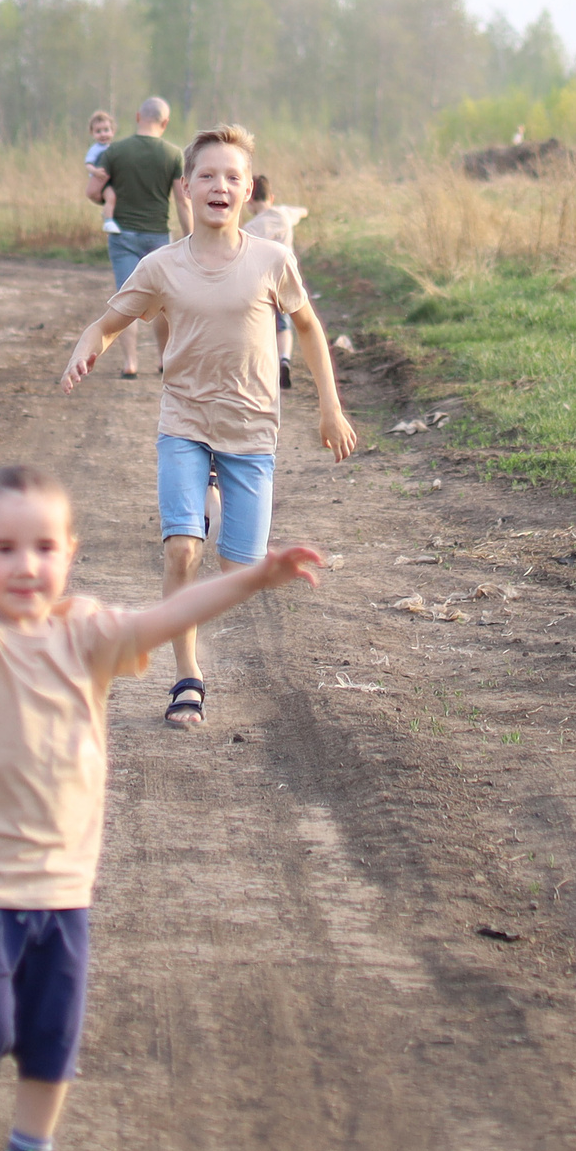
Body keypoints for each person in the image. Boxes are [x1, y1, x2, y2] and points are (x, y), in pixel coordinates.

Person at [0, 464, 324, 1151]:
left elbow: (168, 616)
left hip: (65, 887)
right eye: (3, 548)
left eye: (42, 547)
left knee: (50, 1038)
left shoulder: (89, 635)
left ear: (69, 552)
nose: (25, 564)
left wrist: (255, 577)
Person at [60, 125, 357, 728]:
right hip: (185, 423)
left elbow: (307, 328)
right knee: (181, 552)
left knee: (239, 572)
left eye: (232, 176)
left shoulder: (272, 260)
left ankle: (215, 502)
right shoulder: (160, 266)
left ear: (248, 190)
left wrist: (331, 406)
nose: (219, 185)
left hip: (250, 432)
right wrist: (86, 346)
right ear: (186, 189)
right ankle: (186, 679)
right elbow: (110, 322)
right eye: (207, 175)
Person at [85, 99, 187, 381]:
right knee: (163, 301)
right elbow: (182, 201)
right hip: (159, 236)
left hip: (123, 235)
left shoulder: (114, 151)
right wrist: (192, 239)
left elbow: (92, 191)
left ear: (138, 116)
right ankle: (164, 359)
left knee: (126, 299)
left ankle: (130, 363)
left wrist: (109, 197)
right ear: (164, 123)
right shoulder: (173, 154)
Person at [239, 173, 309, 390]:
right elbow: (301, 211)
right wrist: (304, 212)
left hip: (262, 281)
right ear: (272, 197)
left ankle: (260, 368)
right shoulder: (284, 214)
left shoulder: (250, 229)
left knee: (262, 323)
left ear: (248, 199)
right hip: (286, 278)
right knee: (284, 325)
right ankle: (284, 359)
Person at [79, 110, 118, 245]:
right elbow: (88, 164)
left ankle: (108, 214)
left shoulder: (112, 147)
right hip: (101, 182)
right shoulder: (95, 149)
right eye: (98, 131)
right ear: (92, 133)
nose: (103, 134)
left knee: (114, 199)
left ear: (112, 131)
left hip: (110, 179)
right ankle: (108, 221)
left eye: (106, 130)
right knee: (111, 197)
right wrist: (95, 171)